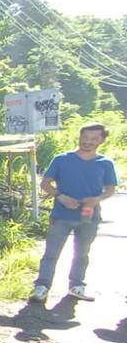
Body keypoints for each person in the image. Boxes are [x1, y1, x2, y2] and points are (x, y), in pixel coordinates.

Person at [29, 122, 118, 303]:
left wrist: (96, 199)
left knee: (82, 253)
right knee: (51, 253)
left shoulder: (105, 163)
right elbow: (45, 183)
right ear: (79, 137)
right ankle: (42, 286)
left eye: (93, 138)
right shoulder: (62, 159)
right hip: (61, 215)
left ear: (101, 140)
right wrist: (61, 196)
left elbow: (110, 189)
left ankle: (77, 286)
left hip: (89, 217)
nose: (88, 142)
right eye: (85, 137)